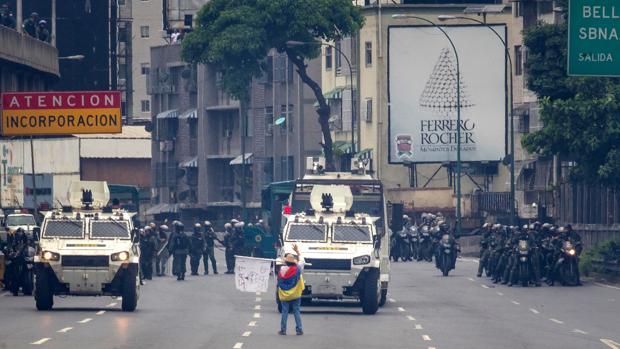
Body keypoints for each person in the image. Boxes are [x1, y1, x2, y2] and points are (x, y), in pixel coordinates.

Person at [277, 244, 305, 336]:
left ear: (286, 262)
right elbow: (302, 261)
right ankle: (299, 330)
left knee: (285, 311)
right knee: (296, 311)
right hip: (296, 294)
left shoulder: (282, 269)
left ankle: (283, 330)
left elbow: (279, 282)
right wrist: (297, 252)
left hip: (285, 294)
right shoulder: (298, 268)